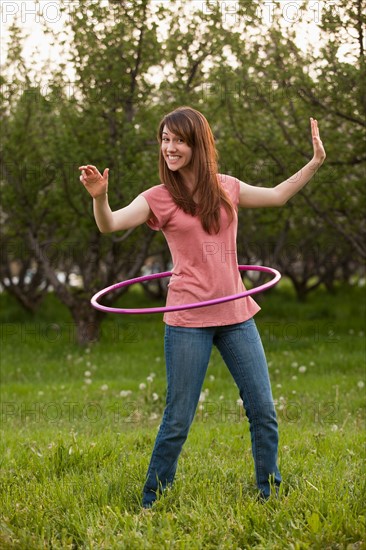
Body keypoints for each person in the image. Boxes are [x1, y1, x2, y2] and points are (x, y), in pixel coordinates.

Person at [79, 106, 326, 508]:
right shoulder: (157, 198)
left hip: (236, 316)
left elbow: (279, 196)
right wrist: (100, 198)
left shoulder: (226, 186)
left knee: (263, 411)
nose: (169, 148)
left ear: (197, 143)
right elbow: (110, 225)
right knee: (178, 419)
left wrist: (314, 162)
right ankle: (151, 500)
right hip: (188, 319)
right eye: (164, 140)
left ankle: (269, 493)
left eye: (178, 140)